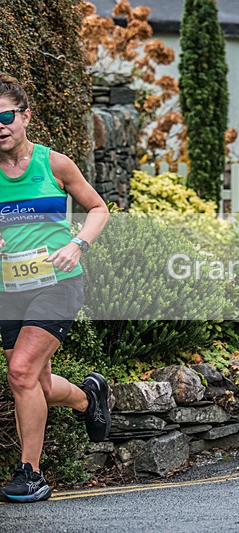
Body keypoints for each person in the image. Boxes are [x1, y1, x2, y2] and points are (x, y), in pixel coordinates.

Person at [0, 73, 111, 503]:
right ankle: (88, 397)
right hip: (9, 290)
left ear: (25, 116)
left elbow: (98, 208)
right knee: (37, 385)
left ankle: (31, 474)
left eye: (6, 115)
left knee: (21, 372)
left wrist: (78, 244)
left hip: (58, 283)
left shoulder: (55, 164)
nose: (0, 125)